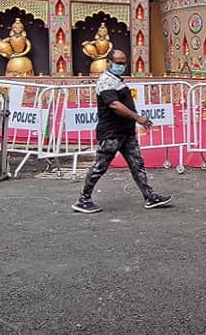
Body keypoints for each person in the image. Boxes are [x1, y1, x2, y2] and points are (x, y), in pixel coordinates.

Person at [71, 49, 172, 213]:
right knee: (100, 166)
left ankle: (150, 196)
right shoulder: (105, 81)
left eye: (123, 62)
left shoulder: (116, 80)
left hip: (126, 132)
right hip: (112, 132)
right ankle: (83, 199)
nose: (121, 65)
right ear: (109, 62)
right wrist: (137, 117)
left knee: (137, 164)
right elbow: (114, 105)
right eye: (117, 62)